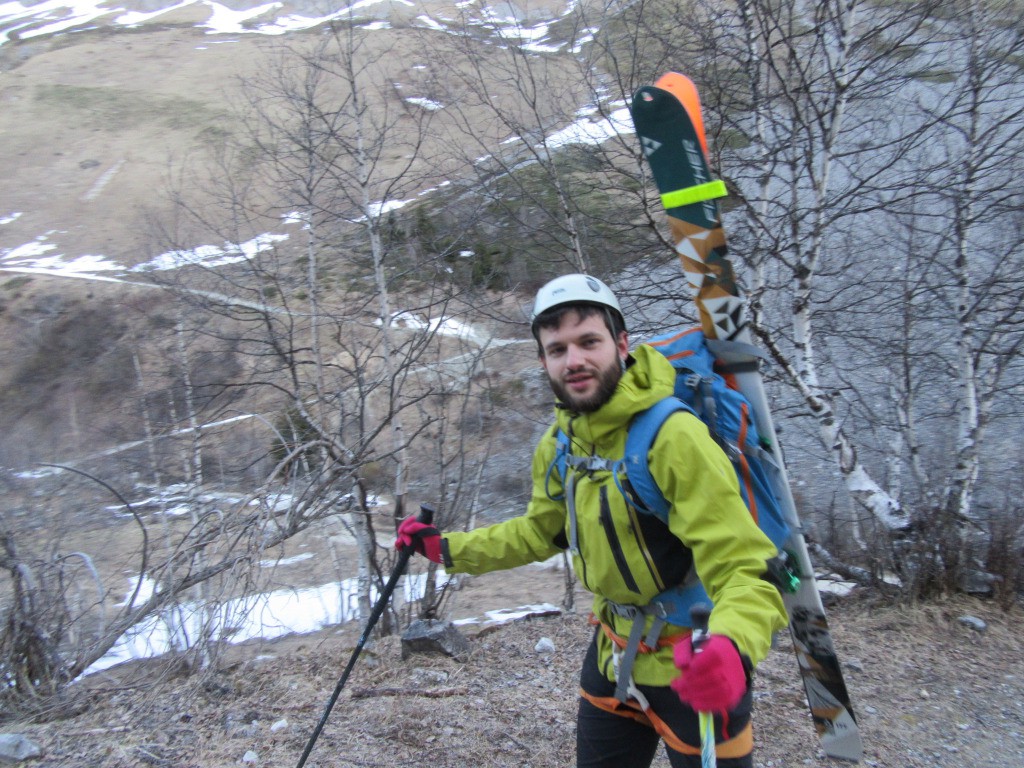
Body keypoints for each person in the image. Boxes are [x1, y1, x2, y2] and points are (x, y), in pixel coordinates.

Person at [396, 274, 788, 768]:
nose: (574, 360)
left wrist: (732, 645)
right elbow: (539, 532)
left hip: (696, 665)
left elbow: (744, 565)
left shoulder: (674, 438)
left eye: (589, 342)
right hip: (613, 655)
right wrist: (445, 548)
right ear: (543, 361)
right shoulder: (560, 445)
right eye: (557, 349)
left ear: (622, 346)